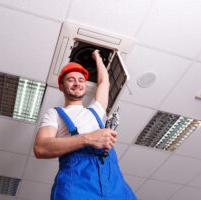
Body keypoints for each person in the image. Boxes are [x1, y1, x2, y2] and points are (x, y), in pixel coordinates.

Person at [33, 50, 137, 200]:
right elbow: (40, 148)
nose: (77, 83)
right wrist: (88, 138)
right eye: (71, 80)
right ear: (62, 87)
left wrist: (97, 57)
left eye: (81, 80)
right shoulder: (55, 114)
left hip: (115, 184)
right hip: (78, 185)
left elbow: (104, 83)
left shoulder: (96, 111)